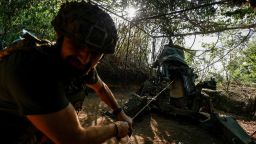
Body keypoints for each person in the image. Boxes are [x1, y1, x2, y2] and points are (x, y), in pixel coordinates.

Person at [0, 1, 132, 144]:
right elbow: (74, 139)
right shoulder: (31, 67)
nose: (84, 58)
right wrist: (117, 128)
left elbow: (101, 87)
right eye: (78, 45)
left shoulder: (77, 66)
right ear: (60, 37)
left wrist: (119, 112)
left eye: (94, 52)